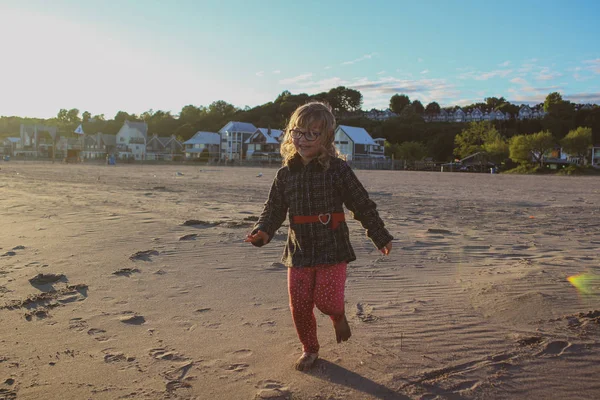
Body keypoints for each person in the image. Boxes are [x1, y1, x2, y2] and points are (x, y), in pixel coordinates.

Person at [245, 102, 393, 371]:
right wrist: (262, 232)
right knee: (300, 304)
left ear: (326, 138)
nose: (303, 139)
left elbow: (361, 204)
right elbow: (274, 209)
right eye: (297, 132)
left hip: (332, 247)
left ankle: (337, 315)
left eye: (311, 134)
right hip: (299, 250)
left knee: (326, 301)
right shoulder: (285, 174)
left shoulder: (337, 170)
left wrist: (379, 234)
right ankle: (310, 349)